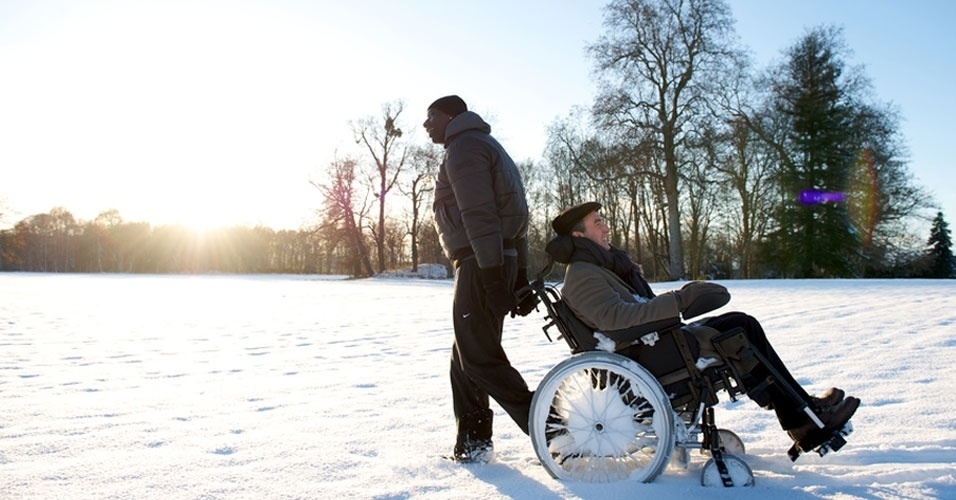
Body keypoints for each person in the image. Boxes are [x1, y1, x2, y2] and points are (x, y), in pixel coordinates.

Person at [546, 201, 860, 456]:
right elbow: (615, 319)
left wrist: (680, 302)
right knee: (736, 332)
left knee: (741, 325)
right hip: (648, 356)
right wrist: (679, 300)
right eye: (598, 222)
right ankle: (804, 419)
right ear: (578, 236)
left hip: (653, 346)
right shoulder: (583, 275)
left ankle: (803, 415)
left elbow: (632, 310)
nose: (606, 227)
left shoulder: (602, 267)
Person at [424, 95, 537, 463]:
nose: (427, 125)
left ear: (451, 116)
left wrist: (491, 277)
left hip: (479, 262)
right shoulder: (486, 144)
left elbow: (480, 215)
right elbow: (517, 217)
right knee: (464, 356)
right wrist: (516, 274)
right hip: (490, 260)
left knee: (479, 357)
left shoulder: (464, 148)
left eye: (432, 117)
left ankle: (553, 430)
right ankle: (472, 443)